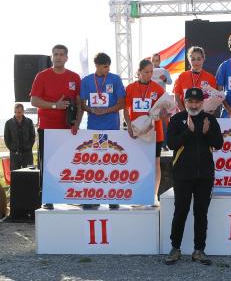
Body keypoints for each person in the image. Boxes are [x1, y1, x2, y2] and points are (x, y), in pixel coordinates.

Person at [164, 87, 223, 266]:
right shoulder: (176, 119)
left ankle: (199, 250)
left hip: (205, 176)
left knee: (201, 213)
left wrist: (207, 132)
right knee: (180, 212)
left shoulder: (210, 119)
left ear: (202, 102)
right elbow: (171, 144)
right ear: (185, 101)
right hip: (182, 175)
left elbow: (218, 144)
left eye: (197, 102)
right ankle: (175, 249)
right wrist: (188, 131)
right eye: (190, 101)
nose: (194, 105)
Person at [30, 44, 82, 210]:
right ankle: (48, 197)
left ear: (67, 57)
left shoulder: (75, 77)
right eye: (55, 54)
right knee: (47, 164)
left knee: (69, 163)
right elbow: (34, 101)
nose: (58, 57)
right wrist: (54, 106)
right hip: (47, 128)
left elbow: (80, 103)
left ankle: (70, 195)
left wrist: (77, 123)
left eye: (61, 54)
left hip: (68, 129)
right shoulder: (42, 76)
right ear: (52, 57)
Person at [80, 52, 125, 209]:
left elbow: (122, 103)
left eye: (109, 66)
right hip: (94, 128)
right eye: (105, 66)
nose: (107, 69)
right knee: (95, 163)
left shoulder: (115, 79)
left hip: (111, 127)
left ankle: (113, 197)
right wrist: (91, 110)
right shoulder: (86, 81)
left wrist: (105, 111)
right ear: (97, 66)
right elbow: (82, 103)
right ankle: (93, 198)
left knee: (111, 162)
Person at [124, 59, 166, 207]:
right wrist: (128, 125)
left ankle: (154, 195)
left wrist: (162, 115)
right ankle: (138, 195)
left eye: (151, 72)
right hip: (137, 132)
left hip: (155, 131)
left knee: (155, 163)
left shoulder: (158, 89)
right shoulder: (130, 88)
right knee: (137, 163)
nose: (149, 75)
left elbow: (164, 110)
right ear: (139, 71)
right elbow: (126, 109)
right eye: (146, 72)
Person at [173, 46, 217, 112]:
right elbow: (176, 98)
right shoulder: (181, 76)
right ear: (189, 60)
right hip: (185, 115)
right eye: (193, 59)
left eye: (199, 59)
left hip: (203, 116)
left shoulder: (210, 78)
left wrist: (207, 115)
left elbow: (214, 100)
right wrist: (183, 113)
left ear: (203, 59)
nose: (196, 62)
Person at [4, 103, 36, 171]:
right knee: (15, 175)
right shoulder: (8, 123)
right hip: (14, 155)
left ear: (23, 111)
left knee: (30, 174)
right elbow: (7, 138)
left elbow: (32, 136)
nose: (17, 114)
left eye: (19, 112)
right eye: (15, 112)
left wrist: (29, 146)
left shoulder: (29, 122)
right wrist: (12, 149)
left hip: (28, 154)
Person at [151, 53, 172, 151]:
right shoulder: (148, 71)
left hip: (161, 98)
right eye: (153, 60)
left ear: (160, 61)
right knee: (151, 121)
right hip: (151, 98)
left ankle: (164, 144)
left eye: (157, 60)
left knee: (163, 121)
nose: (155, 62)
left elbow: (170, 82)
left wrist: (165, 78)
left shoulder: (164, 71)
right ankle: (152, 143)